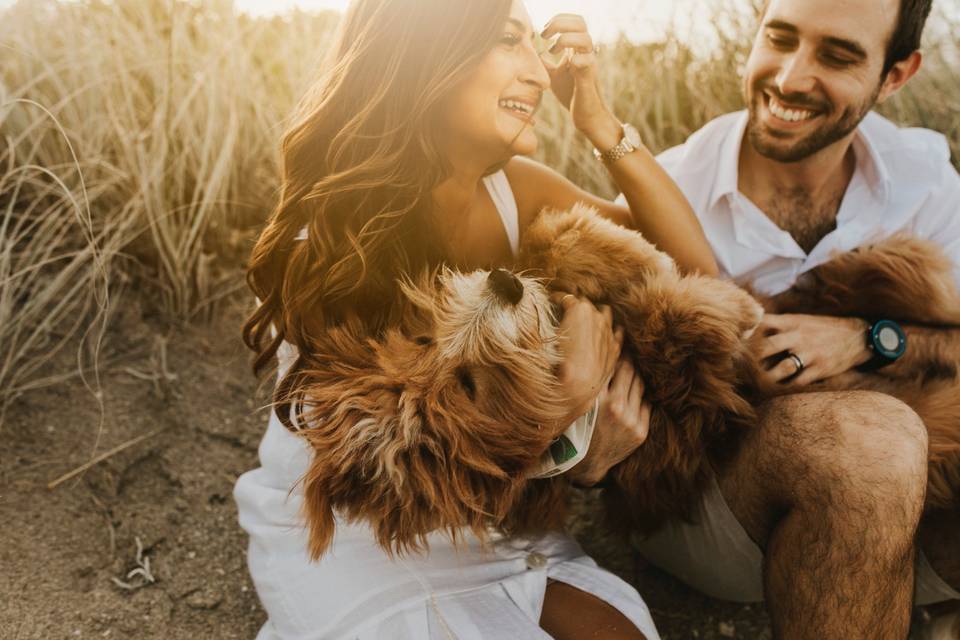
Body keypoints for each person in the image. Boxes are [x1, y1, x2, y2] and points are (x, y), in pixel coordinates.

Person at [234, 0, 720, 637]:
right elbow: (385, 472)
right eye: (507, 41)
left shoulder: (515, 188)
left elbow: (693, 274)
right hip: (355, 523)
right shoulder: (330, 240)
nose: (541, 76)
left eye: (533, 47)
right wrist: (566, 421)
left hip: (490, 522)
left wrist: (601, 125)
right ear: (428, 55)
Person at [617, 0, 960, 637]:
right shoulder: (667, 189)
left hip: (916, 493)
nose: (790, 78)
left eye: (837, 55)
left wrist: (866, 340)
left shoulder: (924, 178)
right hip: (719, 508)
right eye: (780, 38)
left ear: (897, 74)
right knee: (868, 445)